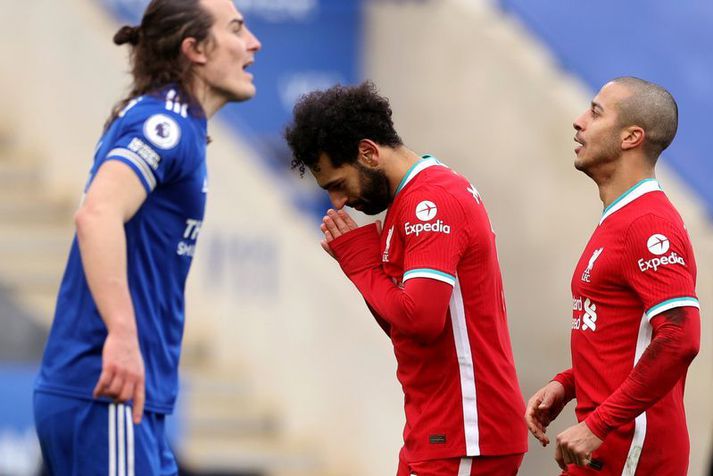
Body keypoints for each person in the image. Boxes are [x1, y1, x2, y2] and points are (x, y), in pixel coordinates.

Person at [33, 0, 261, 474]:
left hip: (130, 399)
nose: (253, 43)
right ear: (194, 49)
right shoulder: (164, 126)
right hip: (107, 391)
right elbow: (97, 215)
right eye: (237, 29)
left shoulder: (179, 126)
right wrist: (120, 334)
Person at [285, 82, 528, 475]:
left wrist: (362, 266)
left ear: (368, 152)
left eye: (338, 184)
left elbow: (420, 318)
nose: (338, 202)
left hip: (466, 431)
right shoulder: (409, 201)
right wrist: (363, 269)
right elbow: (405, 328)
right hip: (438, 427)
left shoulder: (431, 201)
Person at [525, 77, 700, 475]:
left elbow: (680, 338)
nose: (578, 120)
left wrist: (599, 425)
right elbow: (625, 339)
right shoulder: (621, 219)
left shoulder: (649, 224)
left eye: (596, 112)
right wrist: (568, 384)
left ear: (631, 137)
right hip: (604, 449)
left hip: (631, 453)